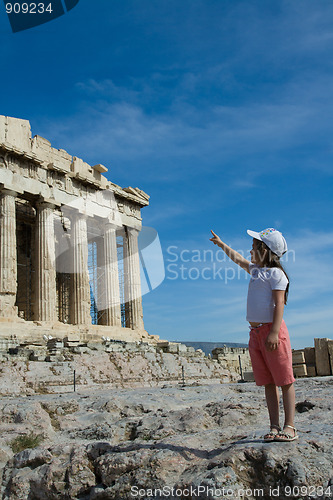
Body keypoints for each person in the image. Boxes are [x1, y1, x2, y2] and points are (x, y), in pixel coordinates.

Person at [210, 227, 298, 442]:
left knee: (285, 380)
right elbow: (238, 259)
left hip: (272, 332)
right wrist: (221, 244)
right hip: (256, 333)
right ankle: (274, 426)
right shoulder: (258, 271)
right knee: (268, 381)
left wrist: (274, 333)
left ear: (265, 251)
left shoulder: (276, 274)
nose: (250, 252)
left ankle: (290, 426)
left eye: (253, 248)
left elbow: (279, 304)